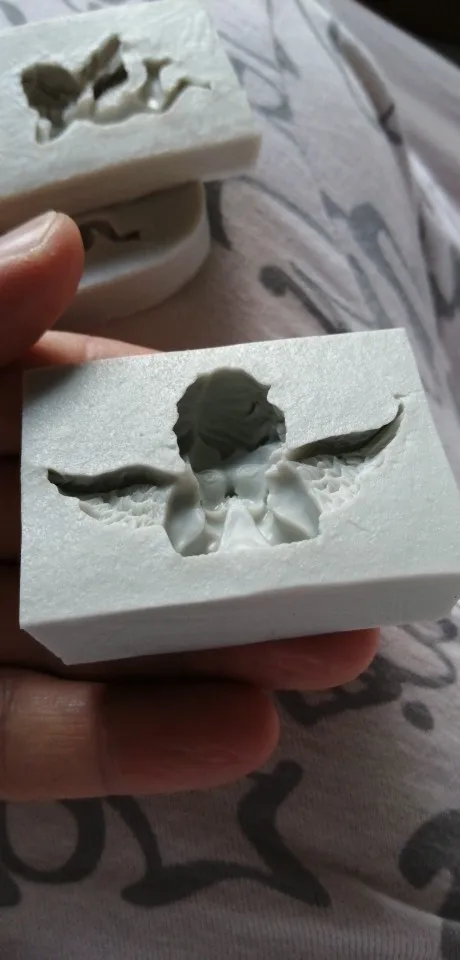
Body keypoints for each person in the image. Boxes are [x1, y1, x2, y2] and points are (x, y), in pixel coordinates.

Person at [1, 0, 460, 957]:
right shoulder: (183, 490)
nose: (237, 453)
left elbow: (337, 459)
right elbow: (124, 494)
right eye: (221, 442)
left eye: (248, 437)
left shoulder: (276, 477)